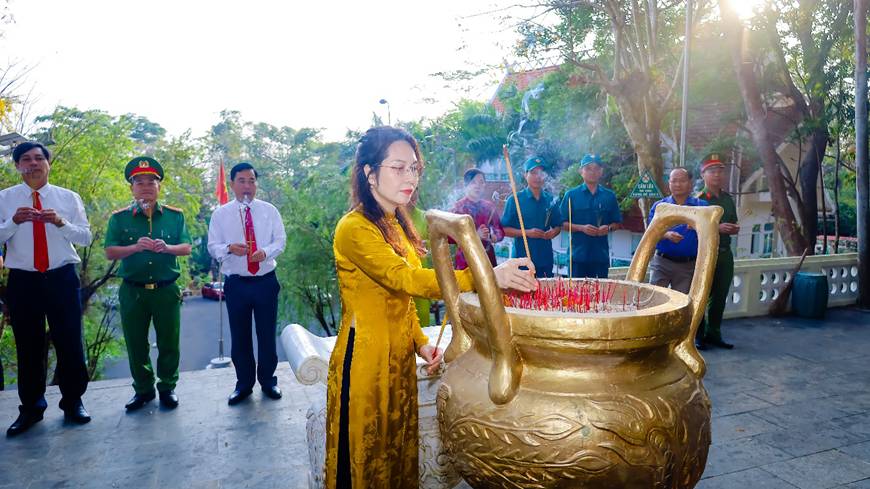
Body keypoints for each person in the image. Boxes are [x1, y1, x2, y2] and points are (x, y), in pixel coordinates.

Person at [325, 126, 537, 489]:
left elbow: (402, 301)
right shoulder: (354, 228)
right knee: (364, 462)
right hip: (364, 362)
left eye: (414, 168)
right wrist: (486, 275)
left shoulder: (395, 223)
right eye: (398, 168)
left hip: (398, 359)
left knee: (397, 456)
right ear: (369, 173)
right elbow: (405, 279)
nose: (410, 177)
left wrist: (421, 343)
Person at [0, 141, 92, 436]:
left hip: (61, 278)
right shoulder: (4, 199)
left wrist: (61, 223)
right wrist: (13, 222)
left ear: (48, 163)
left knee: (70, 342)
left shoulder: (68, 197)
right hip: (23, 280)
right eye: (26, 159)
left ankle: (73, 402)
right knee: (28, 346)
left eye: (39, 158)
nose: (33, 164)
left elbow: (86, 237)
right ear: (17, 166)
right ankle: (31, 408)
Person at [104, 157, 192, 410]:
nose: (145, 187)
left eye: (151, 182)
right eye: (139, 183)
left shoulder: (175, 216)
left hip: (166, 289)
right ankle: (143, 390)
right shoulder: (119, 218)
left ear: (159, 187)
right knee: (136, 343)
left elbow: (186, 247)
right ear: (131, 188)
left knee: (169, 341)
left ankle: (167, 387)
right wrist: (134, 247)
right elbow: (110, 251)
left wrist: (168, 248)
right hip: (133, 291)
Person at [207, 162, 286, 405]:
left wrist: (266, 252)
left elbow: (280, 240)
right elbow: (213, 247)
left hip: (265, 282)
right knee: (240, 336)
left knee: (266, 334)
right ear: (232, 184)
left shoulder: (269, 210)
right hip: (237, 284)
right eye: (241, 181)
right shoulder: (220, 214)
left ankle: (268, 381)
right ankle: (243, 384)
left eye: (251, 181)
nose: (247, 186)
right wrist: (229, 248)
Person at [696, 154, 739, 350]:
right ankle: (698, 335)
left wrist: (734, 228)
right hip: (705, 253)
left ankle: (714, 333)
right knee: (701, 295)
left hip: (725, 253)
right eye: (712, 171)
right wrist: (716, 228)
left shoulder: (728, 199)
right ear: (703, 175)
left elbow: (734, 221)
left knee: (720, 296)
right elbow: (692, 227)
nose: (717, 175)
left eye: (720, 171)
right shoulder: (698, 200)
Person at [560, 153, 622, 278]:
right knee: (576, 291)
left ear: (601, 172)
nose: (592, 172)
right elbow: (561, 224)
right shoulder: (571, 195)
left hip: (600, 258)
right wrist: (581, 228)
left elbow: (617, 223)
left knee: (600, 290)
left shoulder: (609, 196)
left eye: (596, 168)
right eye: (588, 168)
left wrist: (608, 228)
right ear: (581, 171)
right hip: (577, 258)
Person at [648, 168, 708, 294]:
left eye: (682, 181)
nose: (678, 184)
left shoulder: (702, 206)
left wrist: (699, 227)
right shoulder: (659, 206)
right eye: (674, 181)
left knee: (682, 301)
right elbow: (650, 233)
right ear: (669, 183)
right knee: (654, 298)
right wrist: (666, 234)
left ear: (690, 183)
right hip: (661, 263)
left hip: (688, 265)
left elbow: (711, 233)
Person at [501, 156, 561, 278]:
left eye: (541, 173)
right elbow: (504, 230)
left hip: (545, 259)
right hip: (522, 261)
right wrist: (527, 232)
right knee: (522, 290)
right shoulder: (515, 200)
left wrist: (553, 232)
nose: (537, 177)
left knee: (544, 289)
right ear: (525, 175)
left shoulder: (551, 200)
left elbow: (558, 225)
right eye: (533, 173)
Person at [450, 168, 504, 269]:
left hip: (487, 257)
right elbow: (450, 237)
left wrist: (491, 237)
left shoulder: (489, 206)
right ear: (466, 185)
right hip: (466, 259)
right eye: (473, 182)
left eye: (481, 182)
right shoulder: (458, 207)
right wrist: (475, 235)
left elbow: (500, 232)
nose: (477, 186)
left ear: (484, 185)